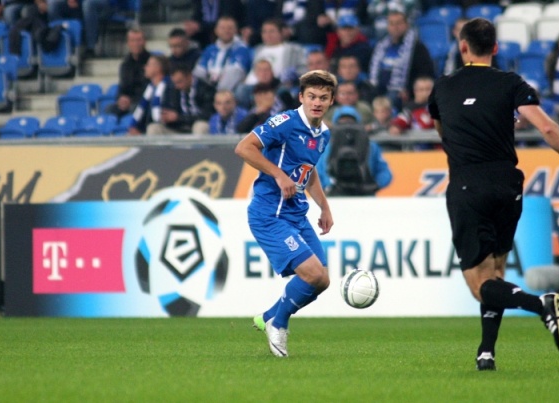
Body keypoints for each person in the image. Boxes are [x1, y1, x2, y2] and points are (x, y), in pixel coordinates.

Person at [427, 17, 559, 371]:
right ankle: (486, 352)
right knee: (497, 272)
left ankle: (541, 305)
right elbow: (547, 127)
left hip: (467, 184)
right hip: (507, 183)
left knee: (480, 285)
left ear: (462, 47)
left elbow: (441, 130)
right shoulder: (511, 83)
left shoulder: (442, 87)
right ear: (496, 48)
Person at [234, 70, 337, 357]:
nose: (317, 102)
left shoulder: (324, 133)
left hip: (296, 214)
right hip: (269, 214)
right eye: (312, 96)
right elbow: (243, 148)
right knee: (313, 273)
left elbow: (309, 170)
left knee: (322, 280)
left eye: (323, 98)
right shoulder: (285, 122)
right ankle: (277, 323)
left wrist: (324, 206)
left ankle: (269, 315)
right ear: (301, 97)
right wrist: (278, 175)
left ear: (331, 101)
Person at [316, 105, 393, 195]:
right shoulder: (325, 148)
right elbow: (317, 173)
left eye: (350, 121)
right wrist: (327, 186)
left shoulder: (371, 147)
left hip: (365, 195)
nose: (347, 125)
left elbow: (384, 171)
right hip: (335, 197)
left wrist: (376, 185)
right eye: (342, 122)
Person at [369, 10, 435, 110]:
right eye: (392, 23)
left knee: (390, 100)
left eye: (399, 23)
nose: (395, 27)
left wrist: (408, 90)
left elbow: (424, 74)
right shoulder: (381, 47)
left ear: (406, 25)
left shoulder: (417, 48)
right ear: (387, 26)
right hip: (380, 90)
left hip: (403, 93)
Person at [145, 64, 215, 136]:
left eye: (180, 81)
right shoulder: (174, 89)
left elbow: (207, 115)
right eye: (174, 82)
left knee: (200, 126)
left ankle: (198, 147)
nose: (177, 86)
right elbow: (168, 109)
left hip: (195, 126)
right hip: (179, 129)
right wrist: (166, 117)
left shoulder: (205, 89)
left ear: (189, 76)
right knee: (153, 128)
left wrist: (179, 118)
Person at [192, 16, 252, 92]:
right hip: (209, 89)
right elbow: (199, 71)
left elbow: (235, 73)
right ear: (216, 30)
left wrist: (217, 93)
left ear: (236, 30)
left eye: (230, 28)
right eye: (222, 28)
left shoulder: (242, 49)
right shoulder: (210, 49)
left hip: (231, 92)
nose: (226, 31)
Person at [243, 18, 306, 87]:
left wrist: (294, 74)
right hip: (253, 85)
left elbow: (303, 68)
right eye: (264, 32)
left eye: (271, 31)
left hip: (277, 84)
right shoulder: (258, 49)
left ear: (281, 32)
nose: (268, 35)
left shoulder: (294, 49)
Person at [106, 28, 151, 118]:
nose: (136, 44)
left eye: (139, 40)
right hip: (128, 102)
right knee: (109, 110)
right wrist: (121, 99)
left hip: (143, 102)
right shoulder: (125, 64)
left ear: (144, 41)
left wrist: (131, 100)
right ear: (128, 43)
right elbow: (122, 86)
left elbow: (149, 87)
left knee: (135, 109)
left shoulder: (151, 62)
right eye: (133, 40)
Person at [128, 54, 176, 135]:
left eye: (148, 65)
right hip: (152, 129)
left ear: (158, 68)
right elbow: (142, 112)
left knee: (153, 129)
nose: (145, 67)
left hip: (169, 129)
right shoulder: (149, 88)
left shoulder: (170, 87)